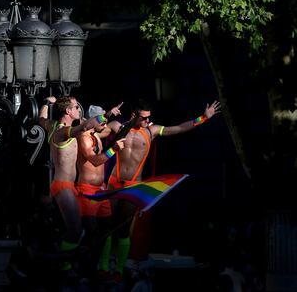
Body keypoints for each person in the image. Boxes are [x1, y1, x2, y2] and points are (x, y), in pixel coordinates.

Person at [102, 98, 221, 281]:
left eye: (148, 117)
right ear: (134, 115)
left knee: (123, 230)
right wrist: (107, 115)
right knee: (108, 228)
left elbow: (179, 128)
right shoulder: (118, 126)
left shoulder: (152, 130)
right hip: (114, 182)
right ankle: (103, 267)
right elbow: (95, 130)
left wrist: (203, 118)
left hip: (134, 185)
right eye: (142, 118)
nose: (146, 121)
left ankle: (118, 270)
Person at [38, 96, 122, 276]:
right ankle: (64, 269)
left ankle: (70, 266)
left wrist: (46, 102)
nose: (78, 110)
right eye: (76, 107)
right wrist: (104, 117)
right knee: (76, 230)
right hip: (63, 186)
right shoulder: (62, 131)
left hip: (68, 186)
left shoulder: (51, 126)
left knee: (78, 230)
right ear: (68, 112)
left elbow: (41, 119)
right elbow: (84, 127)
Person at [75, 105, 125, 280]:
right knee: (91, 233)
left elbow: (117, 128)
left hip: (101, 191)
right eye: (101, 121)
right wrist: (113, 150)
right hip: (87, 191)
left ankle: (93, 269)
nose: (105, 124)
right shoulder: (84, 137)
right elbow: (96, 161)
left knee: (106, 231)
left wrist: (133, 120)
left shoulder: (98, 133)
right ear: (92, 121)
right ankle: (81, 271)